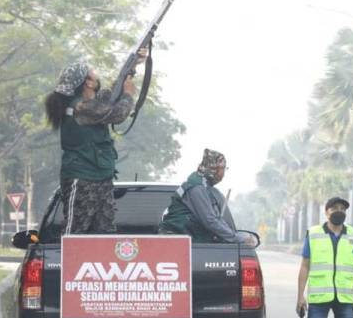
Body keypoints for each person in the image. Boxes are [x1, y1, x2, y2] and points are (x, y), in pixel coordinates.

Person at [45, 51, 146, 235]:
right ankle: (68, 264)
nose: (96, 74)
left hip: (100, 176)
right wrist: (129, 95)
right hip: (82, 178)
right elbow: (118, 113)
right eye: (92, 73)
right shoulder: (81, 107)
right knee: (75, 232)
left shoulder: (92, 103)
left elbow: (112, 94)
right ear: (88, 82)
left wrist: (133, 65)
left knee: (104, 232)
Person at [297, 197, 353, 318]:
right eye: (334, 208)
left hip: (345, 297)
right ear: (326, 212)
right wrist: (300, 296)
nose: (339, 211)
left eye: (342, 209)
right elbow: (305, 266)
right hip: (320, 297)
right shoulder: (314, 233)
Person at [159, 149, 254, 244]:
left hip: (185, 241)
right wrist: (237, 238)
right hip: (175, 242)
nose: (223, 174)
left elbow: (217, 220)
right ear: (213, 169)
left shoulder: (205, 188)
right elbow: (210, 221)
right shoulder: (197, 188)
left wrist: (234, 235)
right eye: (223, 169)